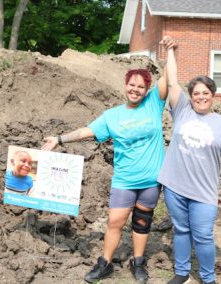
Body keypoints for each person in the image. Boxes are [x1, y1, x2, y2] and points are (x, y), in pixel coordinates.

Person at [41, 37, 175, 284]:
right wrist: (59, 139)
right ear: (125, 85)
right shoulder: (112, 116)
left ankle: (138, 262)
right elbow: (85, 131)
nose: (135, 90)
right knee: (115, 221)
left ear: (147, 90)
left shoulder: (154, 104)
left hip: (151, 180)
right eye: (131, 85)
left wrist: (170, 53)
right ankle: (105, 263)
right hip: (124, 179)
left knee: (142, 222)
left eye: (140, 86)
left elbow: (169, 79)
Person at [157, 38, 221, 284]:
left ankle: (208, 278)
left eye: (205, 93)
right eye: (196, 93)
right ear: (190, 96)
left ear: (212, 95)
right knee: (181, 230)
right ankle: (182, 273)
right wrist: (172, 50)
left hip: (204, 191)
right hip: (175, 186)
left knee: (203, 235)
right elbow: (172, 81)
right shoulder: (182, 110)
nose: (200, 97)